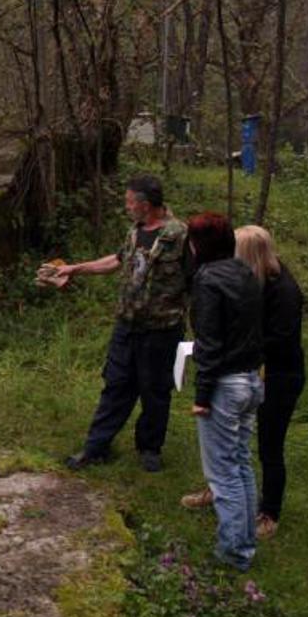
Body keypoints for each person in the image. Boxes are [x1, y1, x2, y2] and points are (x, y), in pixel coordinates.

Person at [53, 175, 192, 472]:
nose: (126, 207)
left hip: (162, 331)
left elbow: (195, 280)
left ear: (145, 205)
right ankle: (96, 448)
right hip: (127, 327)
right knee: (115, 386)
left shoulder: (179, 235)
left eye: (130, 202)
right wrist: (74, 269)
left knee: (155, 390)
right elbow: (116, 261)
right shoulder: (134, 232)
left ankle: (150, 449)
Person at [182, 226, 303, 540]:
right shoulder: (250, 281)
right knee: (229, 442)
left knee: (269, 446)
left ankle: (269, 513)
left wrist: (239, 348)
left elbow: (282, 340)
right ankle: (219, 490)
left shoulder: (283, 289)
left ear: (248, 253)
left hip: (280, 376)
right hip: (249, 371)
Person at [185, 212, 264, 571]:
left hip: (225, 385)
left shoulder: (207, 280)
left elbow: (210, 343)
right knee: (241, 465)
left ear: (197, 246)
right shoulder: (244, 272)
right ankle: (245, 542)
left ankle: (234, 552)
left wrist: (202, 397)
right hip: (250, 379)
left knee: (223, 472)